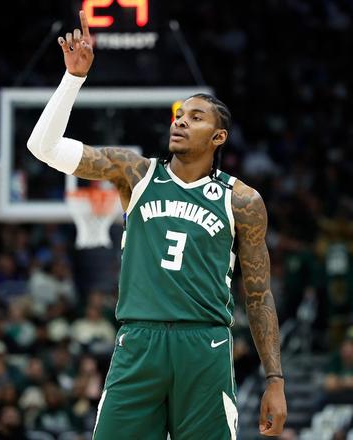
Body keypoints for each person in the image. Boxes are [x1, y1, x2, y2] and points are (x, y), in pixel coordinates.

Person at [26, 11, 286, 438]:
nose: (180, 120)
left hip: (205, 346)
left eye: (196, 117)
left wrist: (274, 379)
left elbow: (258, 296)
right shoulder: (135, 173)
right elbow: (43, 146)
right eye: (180, 114)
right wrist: (73, 78)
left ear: (218, 137)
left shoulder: (242, 200)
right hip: (139, 341)